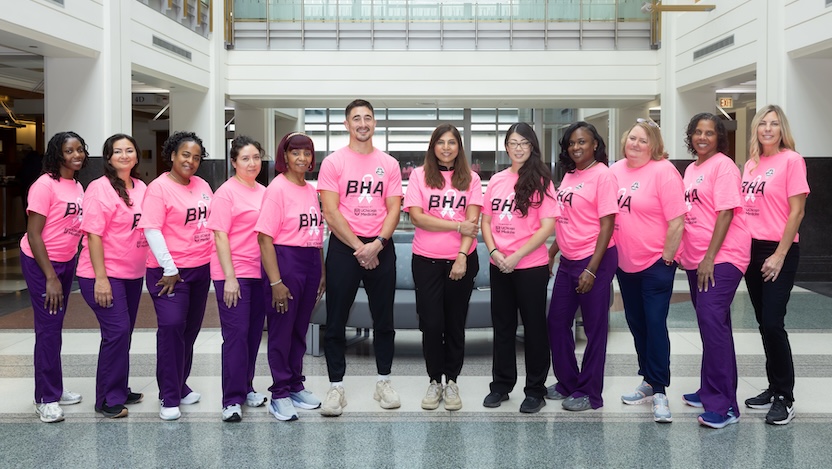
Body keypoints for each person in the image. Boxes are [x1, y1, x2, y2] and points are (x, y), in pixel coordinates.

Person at [317, 99, 403, 417]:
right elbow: (330, 211)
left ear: (375, 123)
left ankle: (384, 381)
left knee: (384, 320)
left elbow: (394, 208)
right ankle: (336, 386)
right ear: (347, 124)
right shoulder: (333, 162)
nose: (362, 123)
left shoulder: (389, 164)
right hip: (344, 248)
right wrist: (360, 248)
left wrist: (377, 244)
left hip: (381, 246)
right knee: (336, 319)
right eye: (356, 118)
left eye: (368, 118)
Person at [610, 119, 686, 423]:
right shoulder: (615, 170)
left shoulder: (664, 171)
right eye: (632, 138)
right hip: (625, 263)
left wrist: (667, 257)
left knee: (654, 324)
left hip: (656, 263)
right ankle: (647, 379)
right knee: (636, 323)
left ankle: (660, 390)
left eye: (643, 140)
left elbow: (677, 221)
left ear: (654, 145)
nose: (636, 144)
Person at [678, 113, 751, 429]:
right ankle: (709, 389)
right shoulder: (691, 169)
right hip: (697, 258)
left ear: (719, 137)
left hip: (722, 257)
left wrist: (709, 257)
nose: (702, 137)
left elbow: (725, 214)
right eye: (697, 132)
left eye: (709, 132)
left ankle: (725, 406)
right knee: (712, 325)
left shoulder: (724, 166)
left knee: (711, 321)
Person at [403, 123, 482, 411]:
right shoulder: (419, 176)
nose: (446, 147)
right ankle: (434, 380)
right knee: (432, 324)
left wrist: (461, 256)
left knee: (455, 324)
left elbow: (472, 223)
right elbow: (417, 218)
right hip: (426, 261)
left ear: (459, 147)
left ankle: (452, 382)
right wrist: (456, 225)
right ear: (433, 146)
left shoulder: (471, 178)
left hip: (461, 260)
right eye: (441, 142)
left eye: (452, 142)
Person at [740, 105, 808, 426]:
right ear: (756, 129)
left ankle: (785, 397)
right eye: (763, 123)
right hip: (751, 250)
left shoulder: (792, 161)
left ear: (782, 130)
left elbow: (797, 212)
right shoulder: (751, 164)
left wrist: (779, 254)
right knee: (762, 321)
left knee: (772, 322)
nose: (768, 128)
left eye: (774, 124)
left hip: (778, 249)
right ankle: (773, 386)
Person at [139, 131, 213, 421]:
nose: (190, 161)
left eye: (196, 157)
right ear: (172, 155)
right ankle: (168, 396)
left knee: (189, 331)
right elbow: (152, 230)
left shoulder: (202, 185)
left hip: (200, 269)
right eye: (185, 155)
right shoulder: (158, 188)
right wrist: (170, 268)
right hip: (169, 272)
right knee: (171, 329)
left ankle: (180, 385)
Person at [481, 122, 556, 414]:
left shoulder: (542, 181)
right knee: (503, 326)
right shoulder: (497, 180)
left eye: (524, 143)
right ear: (506, 147)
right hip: (499, 264)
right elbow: (486, 221)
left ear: (532, 146)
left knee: (534, 328)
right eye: (513, 143)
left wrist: (517, 256)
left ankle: (535, 390)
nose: (518, 148)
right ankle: (501, 385)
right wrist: (495, 251)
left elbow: (547, 227)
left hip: (530, 266)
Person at [546, 122, 618, 412]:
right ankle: (568, 382)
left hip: (594, 259)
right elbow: (566, 220)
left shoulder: (603, 175)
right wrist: (552, 252)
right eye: (571, 143)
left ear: (595, 144)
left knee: (594, 328)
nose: (576, 147)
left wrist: (591, 269)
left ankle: (590, 392)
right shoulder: (570, 174)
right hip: (568, 260)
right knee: (556, 321)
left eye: (582, 142)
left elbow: (608, 224)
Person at [76, 134, 148, 419]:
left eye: (129, 150)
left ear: (136, 155)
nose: (124, 155)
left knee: (123, 333)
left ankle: (119, 387)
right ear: (108, 158)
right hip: (103, 274)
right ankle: (107, 398)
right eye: (118, 151)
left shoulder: (141, 187)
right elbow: (93, 236)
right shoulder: (99, 188)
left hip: (132, 273)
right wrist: (101, 278)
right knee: (116, 332)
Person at [256, 132, 326, 422]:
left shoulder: (311, 190)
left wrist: (321, 272)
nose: (301, 158)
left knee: (299, 329)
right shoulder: (277, 189)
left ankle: (296, 385)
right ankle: (280, 393)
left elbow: (316, 233)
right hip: (285, 262)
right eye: (295, 152)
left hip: (310, 262)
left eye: (306, 153)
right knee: (282, 330)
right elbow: (264, 238)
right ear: (284, 156)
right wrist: (276, 282)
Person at [20, 131, 88, 423]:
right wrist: (50, 276)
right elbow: (34, 235)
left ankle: (55, 388)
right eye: (69, 151)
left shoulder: (77, 185)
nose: (77, 155)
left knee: (54, 326)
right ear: (57, 154)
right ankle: (45, 398)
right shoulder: (44, 185)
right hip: (41, 263)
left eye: (80, 149)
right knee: (48, 329)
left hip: (65, 261)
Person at [207, 136, 268, 422]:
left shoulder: (264, 191)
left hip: (260, 273)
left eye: (256, 157)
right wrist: (229, 278)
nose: (252, 163)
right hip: (234, 274)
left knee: (253, 335)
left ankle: (246, 387)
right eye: (245, 158)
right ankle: (231, 399)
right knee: (236, 336)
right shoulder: (226, 193)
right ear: (234, 162)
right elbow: (220, 236)